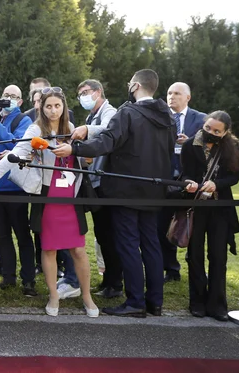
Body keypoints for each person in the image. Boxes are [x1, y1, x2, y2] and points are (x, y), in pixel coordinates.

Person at [53, 69, 176, 318]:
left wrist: (74, 149)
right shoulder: (169, 117)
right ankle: (155, 302)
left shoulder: (127, 112)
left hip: (126, 189)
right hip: (155, 190)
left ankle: (135, 302)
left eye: (130, 83)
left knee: (129, 245)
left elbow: (106, 142)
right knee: (151, 244)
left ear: (136, 86)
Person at [0, 88, 98, 317]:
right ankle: (53, 295)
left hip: (70, 199)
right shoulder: (35, 129)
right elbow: (17, 152)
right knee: (49, 248)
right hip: (46, 197)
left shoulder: (73, 130)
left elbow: (89, 153)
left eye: (57, 106)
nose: (53, 110)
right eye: (48, 106)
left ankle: (87, 296)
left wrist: (79, 151)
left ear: (64, 107)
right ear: (41, 108)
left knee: (78, 249)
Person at [181, 111, 239, 321]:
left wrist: (217, 183)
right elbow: (184, 173)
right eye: (208, 128)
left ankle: (217, 304)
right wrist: (189, 183)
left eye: (217, 131)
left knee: (218, 256)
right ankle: (196, 302)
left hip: (220, 209)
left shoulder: (230, 148)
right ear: (204, 124)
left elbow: (234, 176)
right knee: (195, 255)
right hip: (196, 206)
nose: (211, 133)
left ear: (225, 132)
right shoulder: (190, 145)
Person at [0, 85, 36, 297]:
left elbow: (19, 146)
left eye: (14, 96)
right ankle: (8, 276)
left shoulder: (23, 120)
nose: (9, 99)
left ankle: (28, 280)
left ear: (21, 102)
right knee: (1, 235)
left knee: (22, 235)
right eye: (6, 95)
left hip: (14, 186)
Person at [70, 79, 123, 298]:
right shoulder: (92, 115)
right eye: (79, 93)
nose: (83, 96)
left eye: (86, 92)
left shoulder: (111, 112)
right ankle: (108, 280)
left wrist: (86, 129)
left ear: (98, 91)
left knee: (110, 235)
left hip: (108, 183)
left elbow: (109, 129)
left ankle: (115, 283)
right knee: (102, 235)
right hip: (96, 181)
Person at [160, 82, 206, 283]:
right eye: (169, 93)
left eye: (177, 93)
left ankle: (194, 264)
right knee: (164, 224)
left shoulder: (201, 119)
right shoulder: (160, 117)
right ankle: (171, 269)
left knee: (193, 224)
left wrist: (190, 142)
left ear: (188, 97)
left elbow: (209, 147)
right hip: (166, 177)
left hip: (192, 179)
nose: (172, 97)